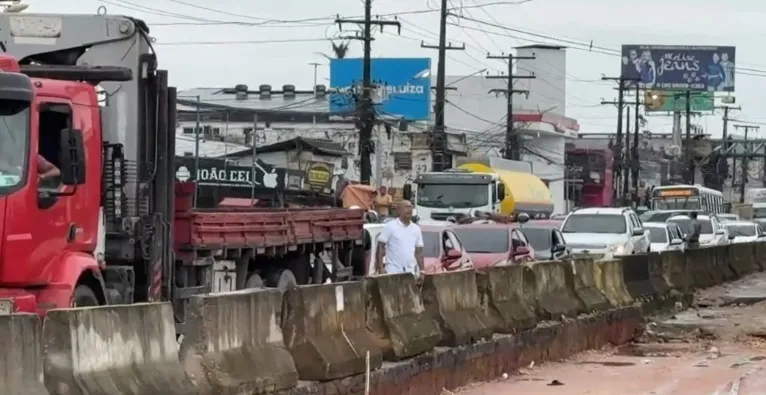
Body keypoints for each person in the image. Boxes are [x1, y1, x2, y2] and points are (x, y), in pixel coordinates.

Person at [375, 200, 424, 277]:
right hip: (393, 271)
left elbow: (419, 252)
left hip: (410, 272)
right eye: (406, 207)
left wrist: (422, 271)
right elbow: (380, 248)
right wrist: (380, 268)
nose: (409, 210)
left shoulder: (416, 229)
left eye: (411, 207)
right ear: (398, 210)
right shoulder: (390, 226)